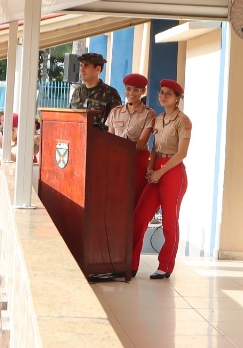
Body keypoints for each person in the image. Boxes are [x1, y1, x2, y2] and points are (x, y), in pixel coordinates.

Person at [128, 79, 192, 281]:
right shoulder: (159, 119)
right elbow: (154, 148)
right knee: (139, 217)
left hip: (172, 171)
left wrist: (160, 172)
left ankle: (165, 265)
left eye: (169, 94)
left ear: (177, 99)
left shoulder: (183, 121)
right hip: (155, 169)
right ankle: (130, 263)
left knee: (169, 221)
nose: (163, 96)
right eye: (161, 92)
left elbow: (182, 153)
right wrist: (149, 168)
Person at [106, 73, 156, 204]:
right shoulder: (115, 112)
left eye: (136, 89)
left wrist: (120, 149)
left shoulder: (148, 114)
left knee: (136, 199)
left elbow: (141, 143)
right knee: (116, 199)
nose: (131, 93)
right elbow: (109, 139)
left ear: (143, 91)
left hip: (137, 160)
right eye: (128, 88)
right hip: (116, 160)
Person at [68, 52, 122, 126]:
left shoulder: (110, 94)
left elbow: (116, 125)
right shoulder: (77, 92)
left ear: (98, 69)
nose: (82, 70)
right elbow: (70, 119)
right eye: (81, 66)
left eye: (86, 66)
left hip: (100, 137)